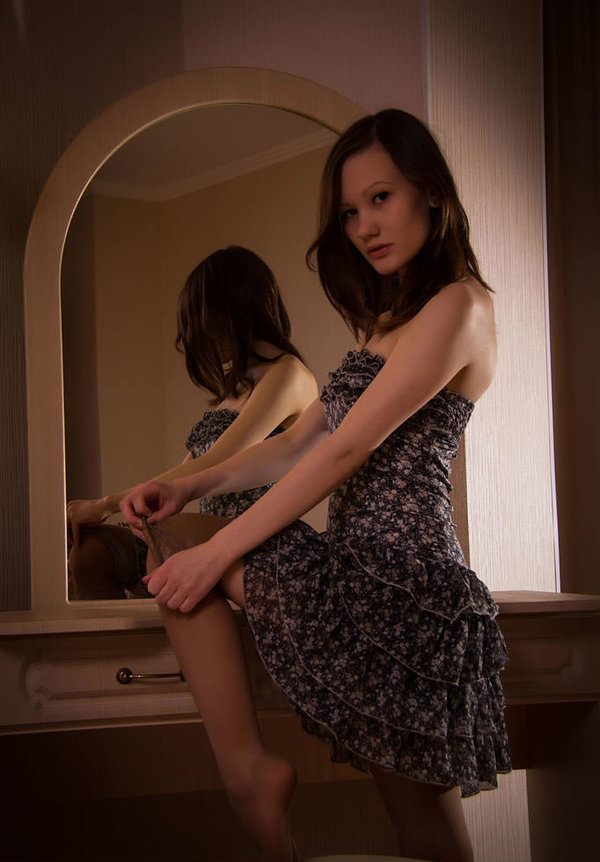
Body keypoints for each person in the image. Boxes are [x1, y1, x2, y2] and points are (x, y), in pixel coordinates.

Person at [120, 110, 511, 862]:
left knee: (427, 835)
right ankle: (248, 774)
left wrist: (217, 553)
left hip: (406, 587)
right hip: (348, 567)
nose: (365, 227)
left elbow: (350, 448)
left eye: (380, 198)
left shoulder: (461, 307)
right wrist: (190, 487)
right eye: (349, 212)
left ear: (431, 191)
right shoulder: (387, 321)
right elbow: (300, 442)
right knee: (169, 535)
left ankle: (250, 777)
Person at [67, 246, 317, 599]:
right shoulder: (235, 390)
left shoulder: (288, 374)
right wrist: (135, 509)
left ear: (233, 311)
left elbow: (217, 463)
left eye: (204, 323)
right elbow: (185, 472)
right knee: (91, 554)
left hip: (253, 539)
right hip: (200, 530)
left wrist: (106, 504)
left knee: (170, 539)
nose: (201, 339)